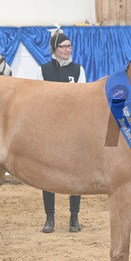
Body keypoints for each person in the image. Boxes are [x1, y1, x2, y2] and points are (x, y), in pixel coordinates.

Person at [38, 28, 87, 233]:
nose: (68, 49)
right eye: (63, 46)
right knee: (47, 175)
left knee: (75, 173)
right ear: (54, 49)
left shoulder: (78, 70)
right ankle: (49, 217)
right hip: (50, 129)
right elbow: (38, 100)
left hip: (73, 129)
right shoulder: (43, 70)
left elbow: (83, 99)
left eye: (69, 46)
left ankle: (74, 217)